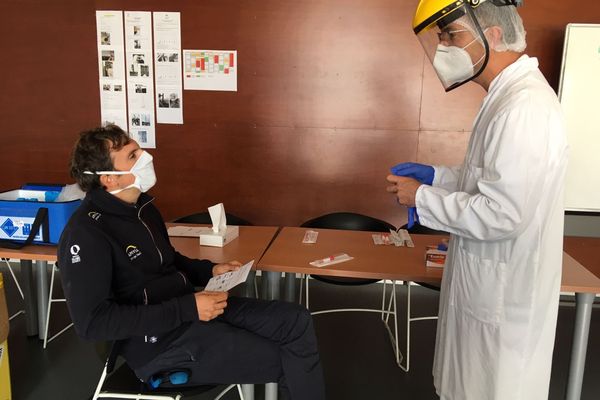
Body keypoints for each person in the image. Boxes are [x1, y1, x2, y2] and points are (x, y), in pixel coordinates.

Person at [58, 125, 326, 400]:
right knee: (288, 358)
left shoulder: (142, 208)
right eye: (133, 155)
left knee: (296, 321)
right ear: (109, 179)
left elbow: (168, 260)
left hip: (191, 311)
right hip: (158, 344)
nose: (145, 157)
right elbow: (93, 324)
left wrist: (210, 270)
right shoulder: (86, 233)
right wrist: (188, 308)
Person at [386, 1, 568, 399]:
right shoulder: (506, 98)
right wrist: (436, 177)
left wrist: (424, 198)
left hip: (505, 304)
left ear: (495, 35)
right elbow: (490, 180)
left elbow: (503, 213)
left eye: (451, 35)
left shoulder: (524, 107)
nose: (444, 48)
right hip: (486, 290)